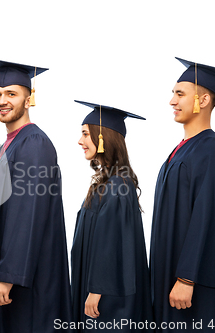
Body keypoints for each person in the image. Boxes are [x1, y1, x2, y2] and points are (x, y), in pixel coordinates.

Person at [150, 57, 215, 331]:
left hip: (193, 287)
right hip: (169, 278)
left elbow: (208, 218)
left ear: (203, 100)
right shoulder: (181, 151)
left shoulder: (213, 152)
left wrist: (186, 278)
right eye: (173, 93)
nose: (172, 101)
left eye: (180, 94)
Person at [0, 60, 72, 333]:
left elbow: (26, 214)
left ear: (29, 100)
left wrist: (9, 275)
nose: (2, 101)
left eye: (11, 94)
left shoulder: (34, 144)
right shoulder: (8, 145)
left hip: (25, 280)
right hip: (4, 271)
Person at [71, 101, 153, 332]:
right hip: (97, 291)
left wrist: (96, 290)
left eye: (86, 134)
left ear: (102, 137)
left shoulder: (117, 187)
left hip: (106, 299)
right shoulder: (110, 183)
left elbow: (112, 244)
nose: (80, 141)